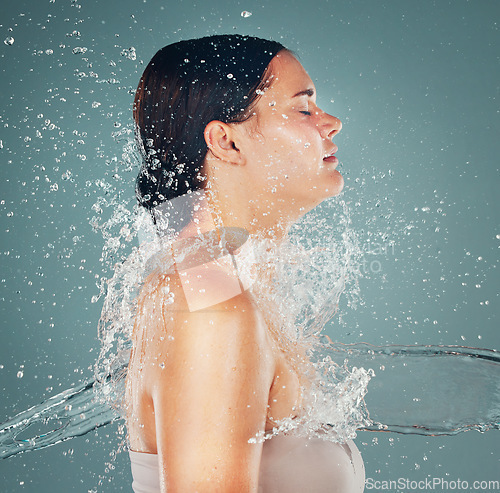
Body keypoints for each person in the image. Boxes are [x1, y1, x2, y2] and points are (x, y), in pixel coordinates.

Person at [125, 34, 365, 492]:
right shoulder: (212, 310)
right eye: (303, 107)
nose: (332, 123)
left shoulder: (217, 284)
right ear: (226, 142)